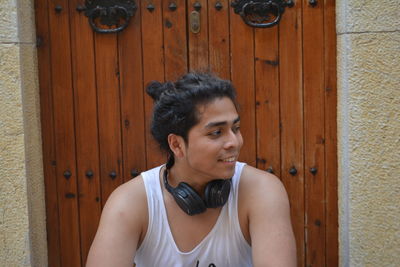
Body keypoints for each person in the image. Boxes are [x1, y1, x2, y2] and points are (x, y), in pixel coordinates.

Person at [86, 72, 296, 267]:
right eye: (216, 132)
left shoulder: (262, 191)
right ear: (177, 145)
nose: (235, 142)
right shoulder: (130, 202)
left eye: (235, 128)